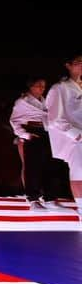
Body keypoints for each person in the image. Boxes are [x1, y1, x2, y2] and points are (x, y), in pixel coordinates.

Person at [46, 54, 82, 220]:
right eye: (78, 63)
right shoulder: (59, 88)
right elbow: (54, 118)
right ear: (68, 65)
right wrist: (76, 135)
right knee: (79, 173)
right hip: (75, 139)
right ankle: (81, 209)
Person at [10, 78, 53, 210]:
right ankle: (33, 199)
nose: (41, 88)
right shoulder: (22, 102)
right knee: (31, 166)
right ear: (31, 86)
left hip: (46, 132)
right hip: (32, 131)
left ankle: (47, 197)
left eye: (43, 86)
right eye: (38, 85)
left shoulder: (45, 101)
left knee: (46, 165)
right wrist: (25, 135)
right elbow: (14, 121)